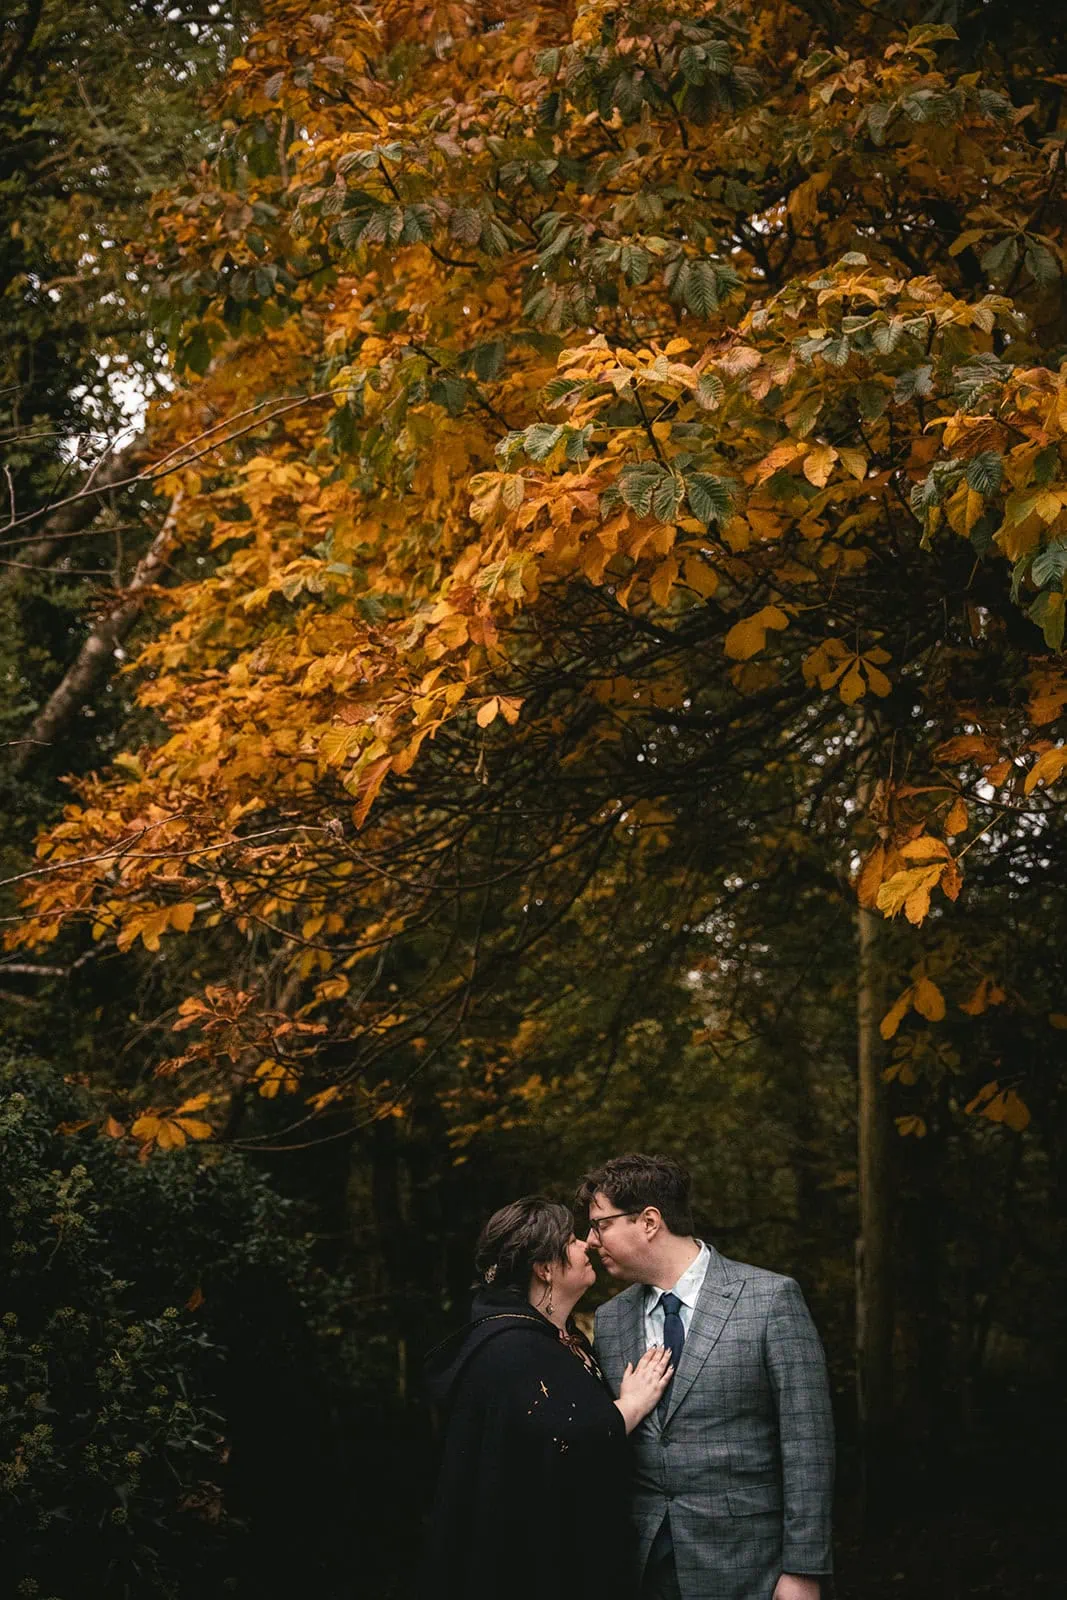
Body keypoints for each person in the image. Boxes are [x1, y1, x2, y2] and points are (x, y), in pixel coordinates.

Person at [579, 1154, 835, 1600]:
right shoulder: (611, 1317)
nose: (590, 1240)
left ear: (649, 1221)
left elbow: (807, 1443)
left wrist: (804, 1570)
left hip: (748, 1564)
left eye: (600, 1224)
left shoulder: (769, 1299)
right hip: (641, 1568)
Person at [422, 1194, 673, 1599]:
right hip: (531, 1569)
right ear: (544, 1268)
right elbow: (562, 1444)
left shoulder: (554, 1339)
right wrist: (631, 1406)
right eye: (571, 1240)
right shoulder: (510, 1349)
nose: (585, 1244)